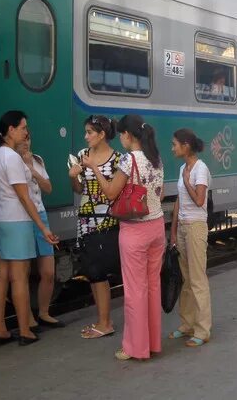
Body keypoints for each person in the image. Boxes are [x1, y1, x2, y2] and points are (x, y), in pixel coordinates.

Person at [0, 111, 59, 347]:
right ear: (11, 130)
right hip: (17, 223)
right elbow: (24, 197)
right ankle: (25, 330)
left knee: (0, 277)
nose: (26, 132)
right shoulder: (12, 157)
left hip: (0, 221)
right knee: (19, 278)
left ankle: (0, 329)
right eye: (23, 127)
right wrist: (42, 227)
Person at [98, 114, 165, 360]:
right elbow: (160, 192)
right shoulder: (156, 158)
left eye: (121, 136)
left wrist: (95, 169)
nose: (121, 140)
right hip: (157, 227)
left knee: (135, 290)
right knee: (152, 286)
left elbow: (110, 192)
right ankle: (153, 343)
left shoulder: (129, 160)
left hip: (135, 231)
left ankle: (135, 347)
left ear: (127, 135)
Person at [68, 115, 120, 339]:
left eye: (90, 132)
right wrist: (73, 177)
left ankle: (105, 322)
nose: (86, 136)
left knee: (101, 271)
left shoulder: (118, 159)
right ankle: (102, 320)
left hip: (108, 221)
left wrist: (93, 169)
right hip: (86, 221)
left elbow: (114, 191)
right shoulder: (82, 155)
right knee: (92, 272)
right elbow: (80, 190)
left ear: (102, 134)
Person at [169, 129, 212, 347]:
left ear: (186, 146)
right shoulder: (182, 168)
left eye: (175, 144)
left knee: (197, 279)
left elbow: (199, 200)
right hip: (184, 227)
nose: (172, 148)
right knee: (186, 279)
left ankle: (202, 329)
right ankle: (187, 324)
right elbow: (179, 200)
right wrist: (173, 230)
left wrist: (187, 181)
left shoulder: (200, 169)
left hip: (196, 227)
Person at [17, 134, 64, 329]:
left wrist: (31, 169)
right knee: (24, 272)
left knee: (48, 271)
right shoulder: (11, 160)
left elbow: (48, 187)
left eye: (29, 139)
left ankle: (44, 312)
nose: (27, 142)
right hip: (21, 217)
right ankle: (28, 317)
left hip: (41, 215)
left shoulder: (38, 160)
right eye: (23, 139)